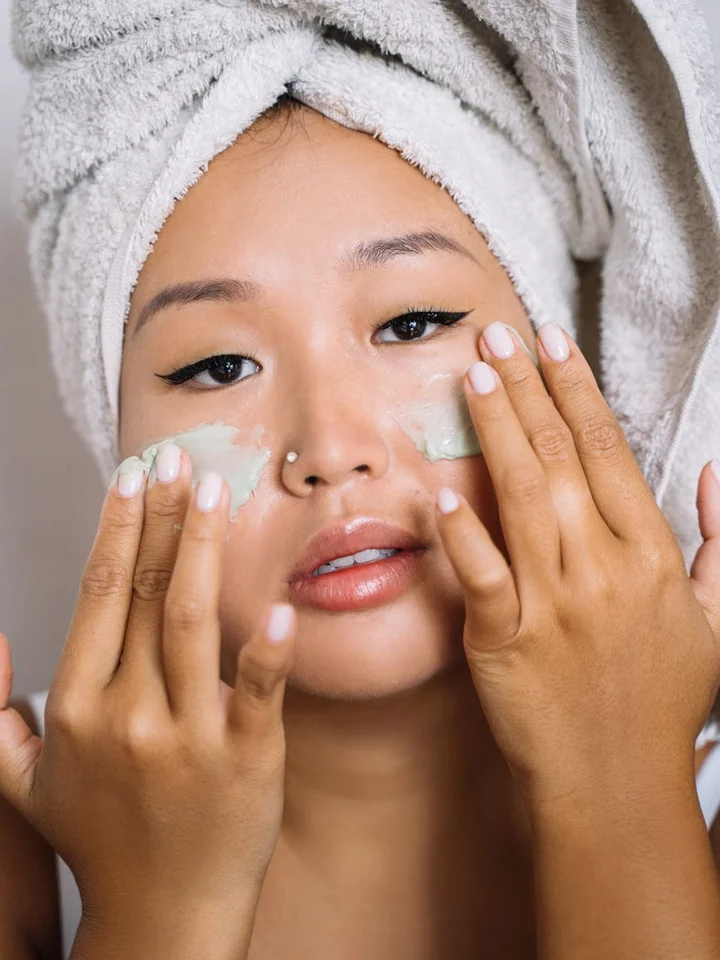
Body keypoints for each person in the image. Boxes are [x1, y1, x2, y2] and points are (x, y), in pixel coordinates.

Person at [2, 96, 720, 960]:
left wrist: (622, 792)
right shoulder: (25, 826)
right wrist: (153, 919)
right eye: (219, 366)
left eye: (410, 324)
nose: (331, 452)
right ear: (115, 442)